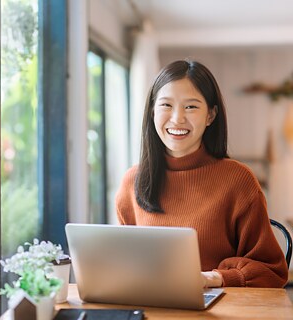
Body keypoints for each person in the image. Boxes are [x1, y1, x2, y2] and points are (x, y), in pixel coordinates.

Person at [116, 59, 288, 288]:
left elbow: (273, 271)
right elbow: (123, 261)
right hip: (150, 304)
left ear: (211, 115)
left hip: (218, 309)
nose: (177, 118)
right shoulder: (132, 181)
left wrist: (215, 278)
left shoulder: (238, 180)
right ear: (151, 112)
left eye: (191, 107)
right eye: (166, 105)